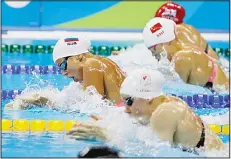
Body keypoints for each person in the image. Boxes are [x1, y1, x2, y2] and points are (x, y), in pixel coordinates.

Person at [67, 69, 225, 153]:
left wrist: (106, 136)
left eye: (129, 101)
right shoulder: (161, 102)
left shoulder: (166, 111)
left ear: (148, 97)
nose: (126, 109)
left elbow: (155, 153)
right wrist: (109, 125)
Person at [5, 37, 125, 109]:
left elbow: (93, 107)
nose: (63, 73)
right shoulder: (101, 62)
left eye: (62, 65)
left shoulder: (91, 64)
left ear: (76, 57)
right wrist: (42, 99)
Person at [142, 17, 228, 92]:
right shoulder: (188, 49)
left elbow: (173, 93)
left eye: (153, 49)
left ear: (163, 43)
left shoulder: (181, 57)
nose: (153, 55)